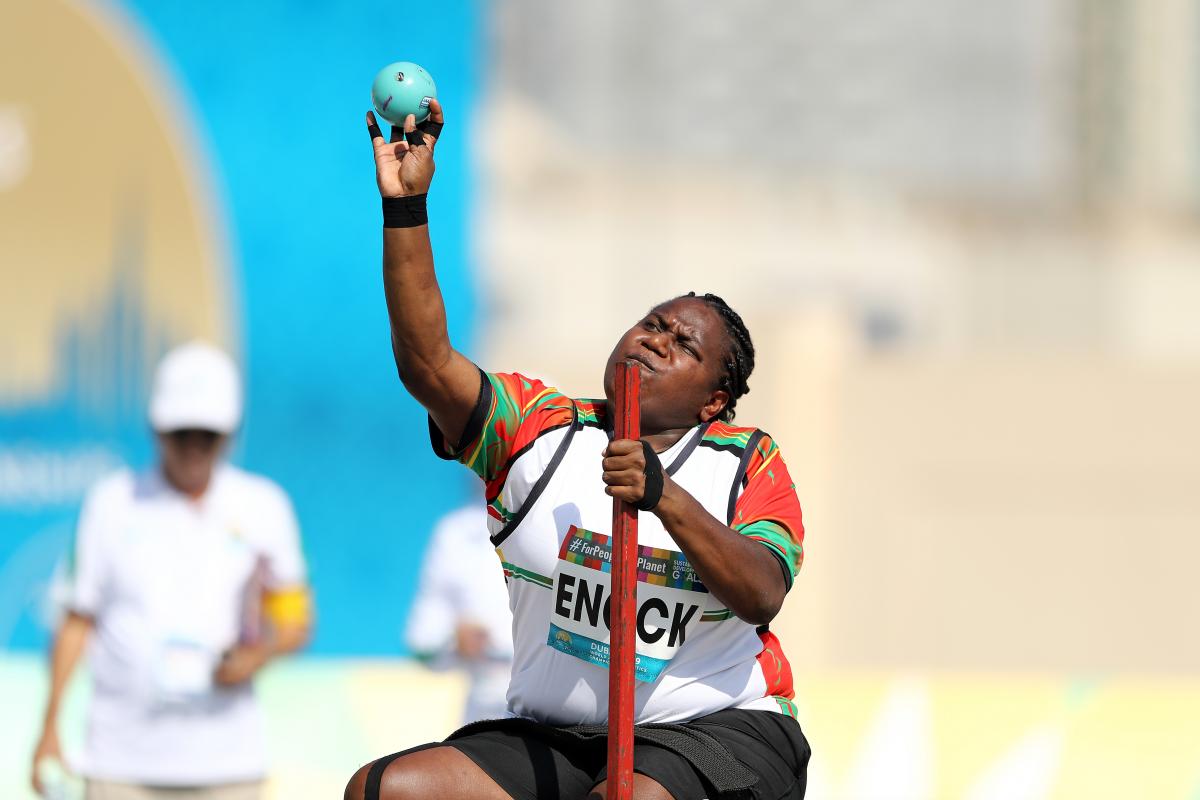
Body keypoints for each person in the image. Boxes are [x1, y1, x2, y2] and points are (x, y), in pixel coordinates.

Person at [346, 102, 810, 800]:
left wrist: (664, 498)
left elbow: (760, 593)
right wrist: (408, 209)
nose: (655, 339)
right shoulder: (535, 424)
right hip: (561, 734)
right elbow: (428, 365)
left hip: (719, 725)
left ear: (713, 401)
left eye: (682, 345)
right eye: (653, 324)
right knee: (386, 789)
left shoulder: (746, 461)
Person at [31, 342, 312, 800]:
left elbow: (295, 619)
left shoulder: (265, 506)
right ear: (157, 429)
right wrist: (49, 726)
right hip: (120, 764)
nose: (193, 447)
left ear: (230, 434)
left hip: (229, 763)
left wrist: (255, 656)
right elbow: (76, 619)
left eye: (208, 433)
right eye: (181, 433)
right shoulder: (111, 502)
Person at [406, 503, 514, 724]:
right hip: (484, 711)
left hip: (559, 713)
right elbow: (422, 643)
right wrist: (455, 639)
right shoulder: (455, 532)